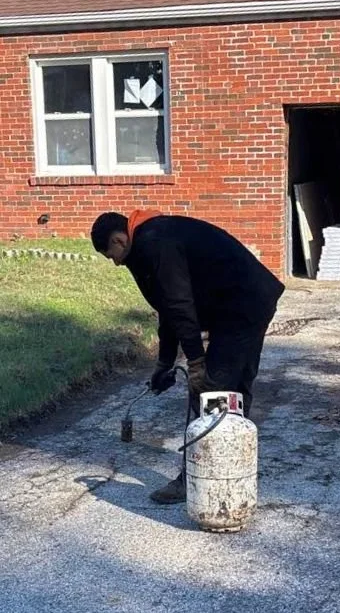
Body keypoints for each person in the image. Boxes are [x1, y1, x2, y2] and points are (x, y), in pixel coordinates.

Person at [90, 209, 285, 504]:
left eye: (111, 255)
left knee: (212, 389)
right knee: (233, 387)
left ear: (119, 239)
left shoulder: (153, 243)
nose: (116, 263)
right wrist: (164, 363)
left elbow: (179, 305)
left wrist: (196, 362)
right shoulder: (151, 237)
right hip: (248, 300)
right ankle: (233, 465)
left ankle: (195, 477)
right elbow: (168, 308)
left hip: (240, 308)